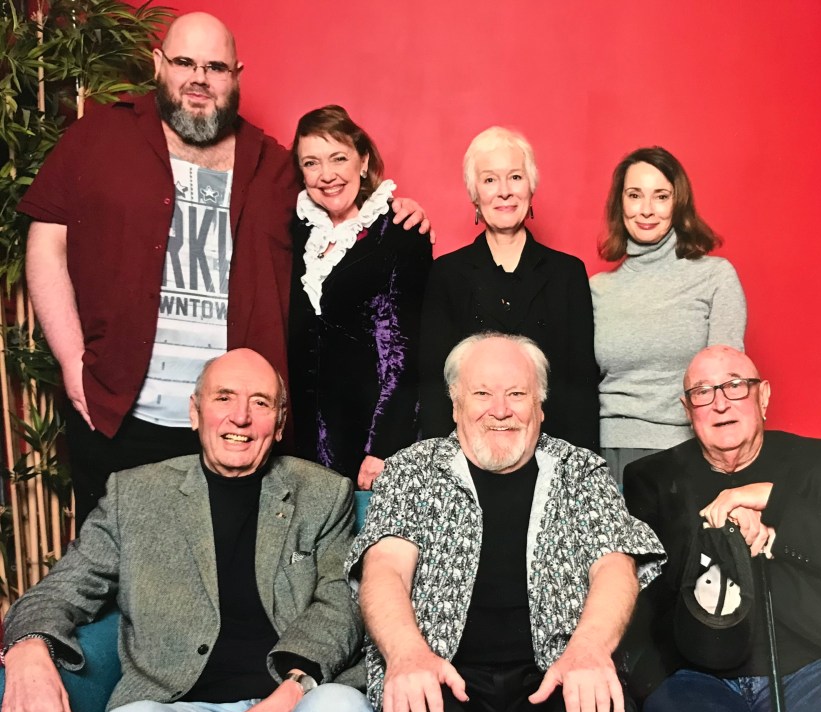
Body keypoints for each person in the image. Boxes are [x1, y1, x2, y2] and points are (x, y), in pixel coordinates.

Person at [17, 12, 427, 527]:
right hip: (121, 416)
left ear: (235, 75)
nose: (199, 78)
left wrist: (396, 211)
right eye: (185, 62)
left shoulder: (275, 165)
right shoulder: (97, 138)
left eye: (215, 67)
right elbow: (47, 242)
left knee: (232, 589)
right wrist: (74, 364)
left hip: (237, 428)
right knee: (113, 583)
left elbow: (341, 211)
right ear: (158, 63)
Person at [0, 349, 378, 712]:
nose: (240, 416)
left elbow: (343, 600)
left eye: (260, 403)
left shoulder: (323, 493)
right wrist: (28, 647)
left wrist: (291, 693)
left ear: (280, 424)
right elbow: (62, 589)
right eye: (224, 398)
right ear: (195, 411)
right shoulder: (135, 495)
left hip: (293, 707)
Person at [347, 333, 664, 712]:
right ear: (454, 404)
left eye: (517, 394)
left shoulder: (581, 471)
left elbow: (615, 566)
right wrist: (408, 657)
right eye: (481, 394)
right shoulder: (411, 470)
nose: (500, 410)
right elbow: (385, 568)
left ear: (540, 405)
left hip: (556, 675)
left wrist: (587, 652)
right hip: (444, 673)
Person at [622, 344, 821, 712]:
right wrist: (723, 531)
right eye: (703, 392)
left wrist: (772, 508)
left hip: (810, 669)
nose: (720, 402)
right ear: (687, 409)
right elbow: (649, 585)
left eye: (735, 386)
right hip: (697, 680)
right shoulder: (650, 479)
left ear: (763, 396)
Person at [419, 127, 599, 452]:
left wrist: (580, 466)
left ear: (531, 186)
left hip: (551, 454)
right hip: (469, 454)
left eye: (515, 177)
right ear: (474, 194)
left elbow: (581, 384)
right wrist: (440, 465)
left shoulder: (567, 273)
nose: (504, 191)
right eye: (489, 180)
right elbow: (434, 385)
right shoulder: (446, 274)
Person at [287, 106, 432, 490]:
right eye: (312, 163)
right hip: (294, 441)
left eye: (339, 158)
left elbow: (408, 349)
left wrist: (383, 447)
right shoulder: (293, 232)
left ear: (363, 161)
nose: (327, 175)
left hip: (368, 441)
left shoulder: (400, 231)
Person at [590, 146, 747, 483]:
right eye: (635, 195)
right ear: (620, 204)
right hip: (608, 456)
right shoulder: (597, 289)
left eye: (661, 196)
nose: (646, 209)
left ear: (678, 203)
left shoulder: (715, 277)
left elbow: (727, 384)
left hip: (686, 453)